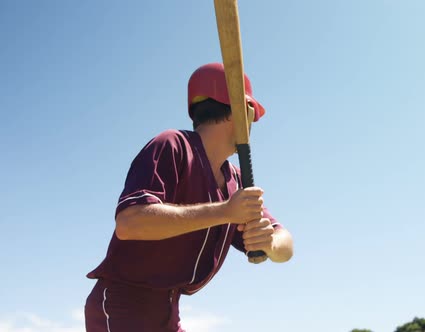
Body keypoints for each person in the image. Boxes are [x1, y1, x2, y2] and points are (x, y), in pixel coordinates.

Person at [84, 62, 294, 332]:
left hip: (168, 310)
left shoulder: (237, 179)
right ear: (238, 113)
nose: (253, 125)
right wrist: (225, 212)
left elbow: (285, 243)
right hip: (123, 306)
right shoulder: (172, 145)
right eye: (250, 116)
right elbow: (130, 223)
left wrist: (269, 241)